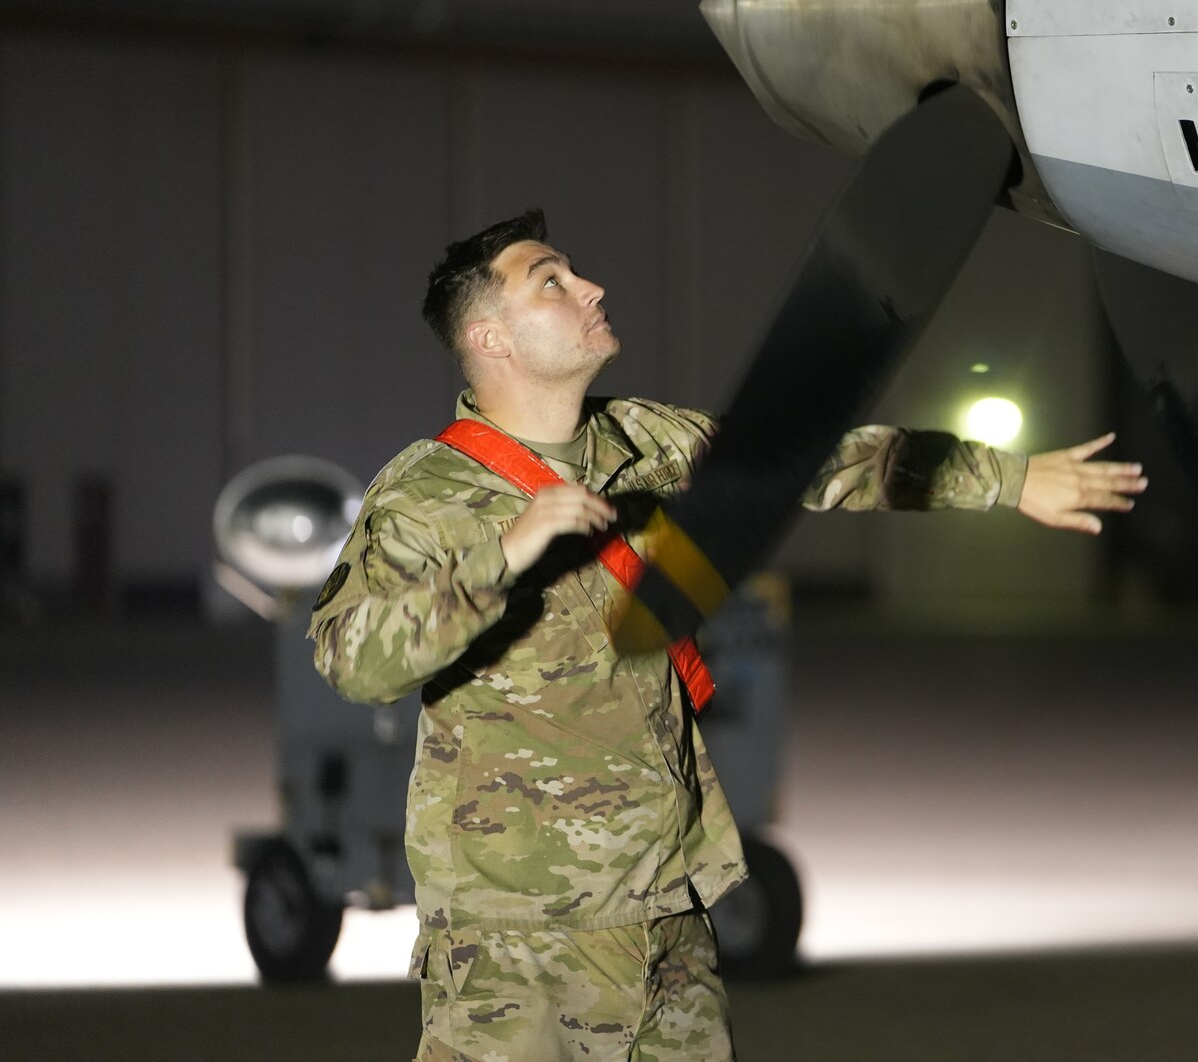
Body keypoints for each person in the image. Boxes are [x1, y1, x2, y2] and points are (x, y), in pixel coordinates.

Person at [310, 208, 1146, 1061]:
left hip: (670, 913)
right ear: (489, 336)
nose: (591, 287)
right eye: (551, 281)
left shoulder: (644, 440)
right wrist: (506, 552)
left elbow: (814, 461)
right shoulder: (425, 492)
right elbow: (353, 660)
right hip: (517, 942)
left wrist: (1008, 480)